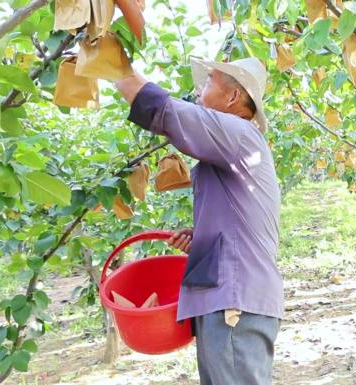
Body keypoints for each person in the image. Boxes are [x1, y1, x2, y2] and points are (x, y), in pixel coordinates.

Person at [114, 56, 284, 385]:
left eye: (207, 83)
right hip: (232, 299)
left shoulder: (237, 133)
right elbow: (241, 223)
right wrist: (202, 235)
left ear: (233, 97)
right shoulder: (235, 146)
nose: (198, 91)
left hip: (235, 301)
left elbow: (165, 111)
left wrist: (111, 63)